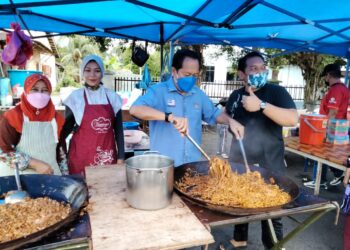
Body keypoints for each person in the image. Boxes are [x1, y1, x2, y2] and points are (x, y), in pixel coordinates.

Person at [224, 51, 298, 249]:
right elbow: (225, 115)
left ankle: (273, 245)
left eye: (262, 67)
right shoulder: (235, 95)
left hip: (270, 161)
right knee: (240, 201)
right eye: (253, 68)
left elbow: (292, 119)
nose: (260, 71)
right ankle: (239, 239)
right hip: (240, 158)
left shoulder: (276, 92)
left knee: (272, 207)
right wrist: (230, 123)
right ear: (242, 74)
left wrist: (261, 105)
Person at [129, 49, 229, 167]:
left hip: (192, 164)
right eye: (187, 75)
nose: (191, 79)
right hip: (163, 166)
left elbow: (214, 114)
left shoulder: (198, 94)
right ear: (174, 71)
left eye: (195, 75)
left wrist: (233, 122)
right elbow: (135, 109)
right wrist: (168, 117)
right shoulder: (158, 91)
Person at [61, 55, 124, 176]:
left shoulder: (112, 97)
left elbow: (119, 131)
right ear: (82, 72)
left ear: (102, 73)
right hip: (81, 156)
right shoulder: (75, 98)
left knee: (105, 190)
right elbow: (64, 131)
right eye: (88, 70)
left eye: (97, 70)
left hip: (106, 156)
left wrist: (121, 157)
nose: (92, 75)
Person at [0, 74, 65, 176]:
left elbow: (61, 153)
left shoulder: (57, 119)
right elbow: (3, 152)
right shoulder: (13, 116)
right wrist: (33, 163)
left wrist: (66, 176)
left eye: (44, 90)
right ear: (26, 91)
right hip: (18, 181)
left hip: (51, 179)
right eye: (34, 89)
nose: (40, 94)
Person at [304, 63, 350, 189]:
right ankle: (333, 175)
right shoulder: (343, 88)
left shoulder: (336, 89)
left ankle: (321, 180)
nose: (325, 79)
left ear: (329, 75)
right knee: (328, 154)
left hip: (333, 127)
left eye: (325, 76)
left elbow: (333, 112)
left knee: (321, 152)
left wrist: (322, 129)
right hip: (338, 126)